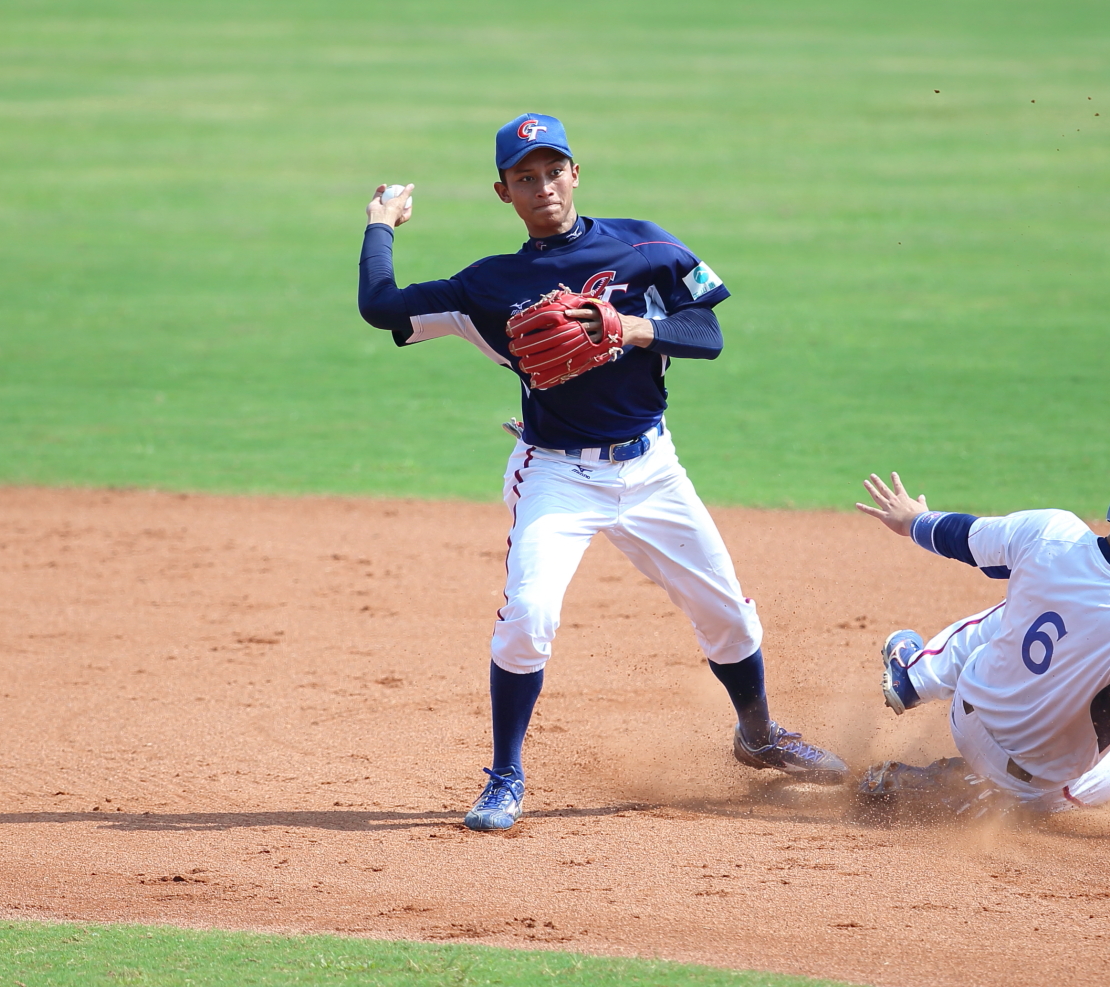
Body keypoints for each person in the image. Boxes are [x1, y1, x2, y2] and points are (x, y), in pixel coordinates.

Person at [357, 113, 845, 831]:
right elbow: (380, 309)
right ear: (504, 192)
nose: (544, 187)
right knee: (528, 618)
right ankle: (504, 777)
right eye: (525, 177)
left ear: (576, 174)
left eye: (554, 171)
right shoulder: (489, 286)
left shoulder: (644, 247)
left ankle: (759, 737)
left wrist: (632, 328)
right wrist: (381, 224)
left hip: (653, 470)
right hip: (557, 475)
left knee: (730, 618)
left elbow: (706, 333)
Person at [854, 463, 1110, 840]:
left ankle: (917, 676)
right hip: (1028, 781)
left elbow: (965, 537)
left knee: (1020, 606)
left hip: (968, 716)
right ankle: (1002, 801)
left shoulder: (1050, 530)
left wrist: (914, 521)